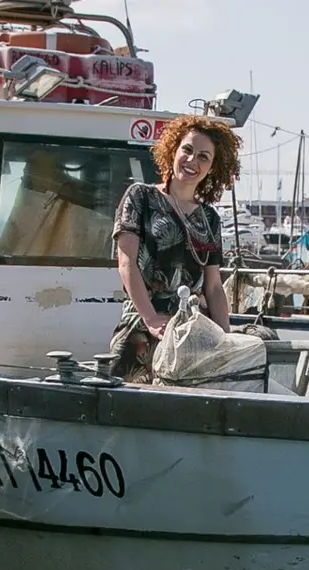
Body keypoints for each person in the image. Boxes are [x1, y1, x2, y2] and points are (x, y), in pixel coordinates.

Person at [105, 114, 241, 382]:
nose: (193, 161)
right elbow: (126, 263)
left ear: (213, 167)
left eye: (204, 157)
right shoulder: (141, 197)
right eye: (187, 150)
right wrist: (151, 318)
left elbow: (213, 286)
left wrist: (225, 338)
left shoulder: (209, 218)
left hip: (191, 334)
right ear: (173, 150)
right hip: (143, 329)